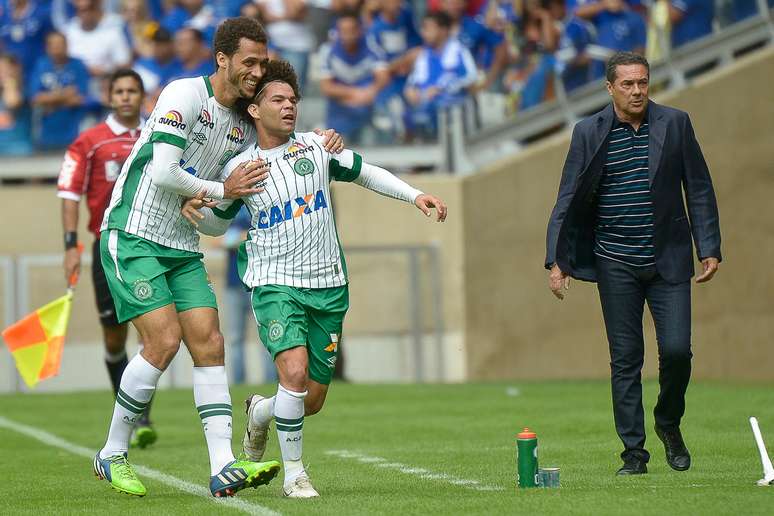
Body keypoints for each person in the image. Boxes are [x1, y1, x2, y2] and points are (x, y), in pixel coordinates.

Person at [91, 16, 345, 499]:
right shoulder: (183, 95)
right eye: (248, 61)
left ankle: (223, 465)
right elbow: (165, 171)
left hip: (182, 245)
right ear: (222, 59)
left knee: (210, 343)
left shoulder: (245, 128)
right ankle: (111, 452)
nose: (256, 70)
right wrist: (218, 189)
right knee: (163, 341)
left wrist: (322, 140)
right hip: (133, 231)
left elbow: (267, 161)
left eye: (261, 62)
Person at [181, 59, 447, 498]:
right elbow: (217, 225)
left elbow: (367, 173)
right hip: (274, 284)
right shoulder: (241, 167)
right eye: (277, 100)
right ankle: (295, 475)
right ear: (254, 109)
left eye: (293, 100)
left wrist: (415, 195)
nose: (288, 107)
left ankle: (261, 413)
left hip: (328, 284)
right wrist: (199, 211)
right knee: (295, 373)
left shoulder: (318, 147)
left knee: (312, 399)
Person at [545, 52, 721, 476]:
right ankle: (634, 455)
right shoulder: (588, 132)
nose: (637, 90)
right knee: (626, 359)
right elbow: (567, 196)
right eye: (627, 84)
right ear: (610, 88)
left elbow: (697, 186)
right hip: (614, 261)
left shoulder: (675, 123)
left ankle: (668, 422)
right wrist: (557, 260)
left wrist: (708, 246)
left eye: (642, 82)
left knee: (678, 352)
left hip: (669, 260)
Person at [57, 69, 159, 448]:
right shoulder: (89, 142)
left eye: (133, 91)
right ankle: (127, 407)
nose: (126, 97)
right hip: (107, 245)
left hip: (150, 242)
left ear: (142, 95)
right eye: (119, 91)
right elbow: (68, 193)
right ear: (109, 95)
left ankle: (141, 416)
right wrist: (70, 244)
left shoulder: (157, 134)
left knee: (153, 331)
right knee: (115, 338)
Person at [319, 10, 389, 144]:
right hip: (339, 111)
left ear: (359, 30)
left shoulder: (371, 45)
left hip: (368, 108)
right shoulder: (327, 50)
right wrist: (355, 94)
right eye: (343, 31)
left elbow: (383, 77)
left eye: (351, 30)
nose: (347, 35)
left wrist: (370, 92)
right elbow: (326, 87)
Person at [404, 10, 477, 139]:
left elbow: (472, 78)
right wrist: (410, 91)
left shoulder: (459, 50)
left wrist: (442, 88)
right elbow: (412, 83)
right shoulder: (423, 55)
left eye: (428, 28)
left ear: (443, 30)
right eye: (423, 28)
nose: (423, 33)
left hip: (452, 111)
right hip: (425, 108)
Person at [29, 31, 89, 150]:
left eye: (60, 44)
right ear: (47, 47)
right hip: (46, 135)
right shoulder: (41, 65)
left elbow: (79, 98)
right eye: (53, 45)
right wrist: (65, 94)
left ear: (67, 45)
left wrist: (49, 101)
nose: (57, 48)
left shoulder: (78, 65)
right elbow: (35, 99)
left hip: (73, 133)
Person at [0, 53, 33, 155]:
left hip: (19, 151)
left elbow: (12, 102)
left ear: (16, 69)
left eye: (4, 69)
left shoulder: (24, 91)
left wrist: (9, 82)